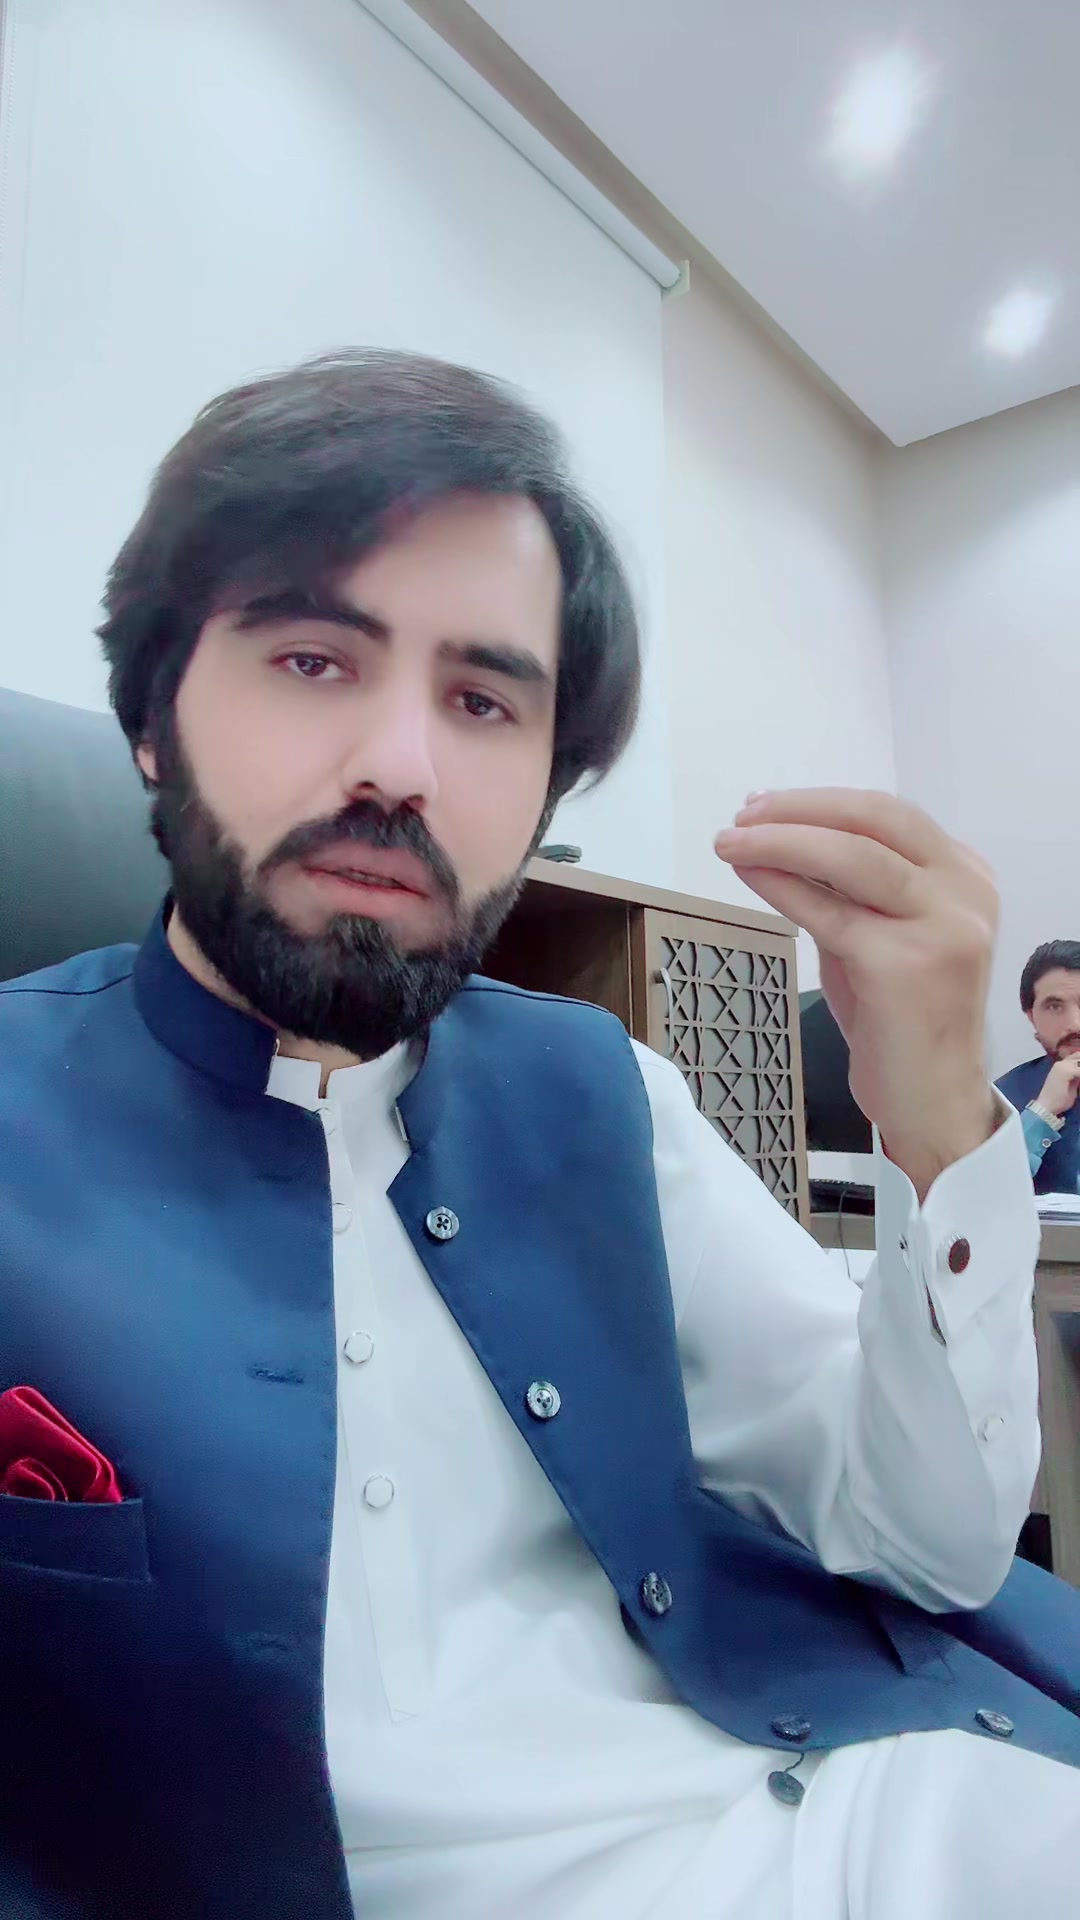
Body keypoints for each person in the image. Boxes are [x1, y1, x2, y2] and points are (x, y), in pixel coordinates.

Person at [1, 351, 1078, 1920]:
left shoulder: (606, 1090)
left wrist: (934, 1124)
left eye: (483, 701)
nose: (402, 766)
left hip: (811, 1817)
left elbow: (929, 1544)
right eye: (311, 658)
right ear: (153, 718)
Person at [997, 941, 1080, 1192]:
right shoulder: (1002, 1100)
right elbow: (985, 1196)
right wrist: (1042, 1113)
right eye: (1054, 1007)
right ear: (1032, 1016)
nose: (1075, 1024)